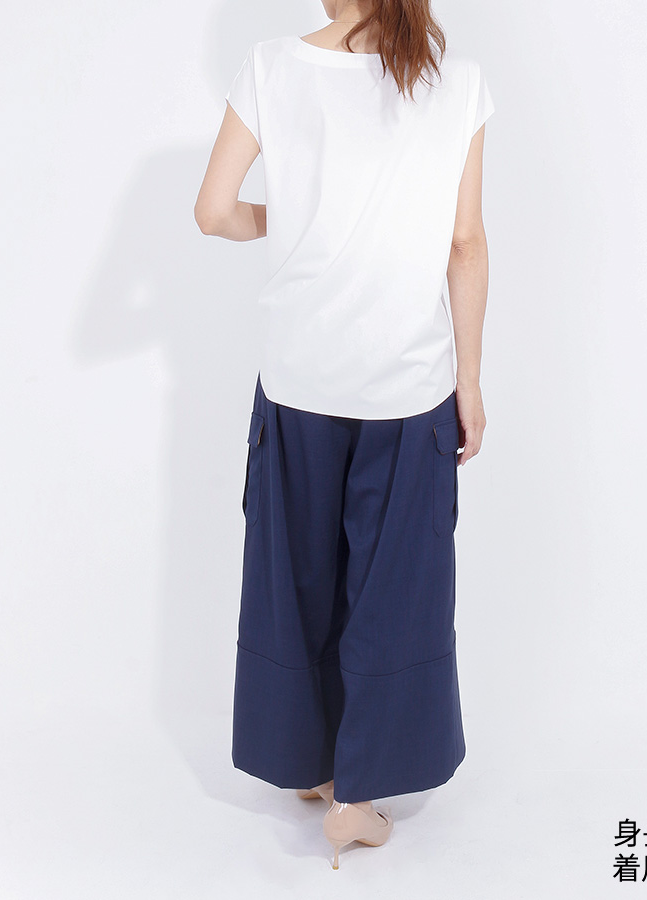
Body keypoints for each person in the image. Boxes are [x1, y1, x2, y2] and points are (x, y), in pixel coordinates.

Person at [193, 0, 493, 870]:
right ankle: (357, 798)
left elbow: (213, 211)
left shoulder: (271, 66)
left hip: (299, 380)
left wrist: (284, 217)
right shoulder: (457, 84)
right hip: (407, 384)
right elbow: (464, 242)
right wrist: (471, 380)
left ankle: (309, 767)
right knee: (396, 591)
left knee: (296, 577)